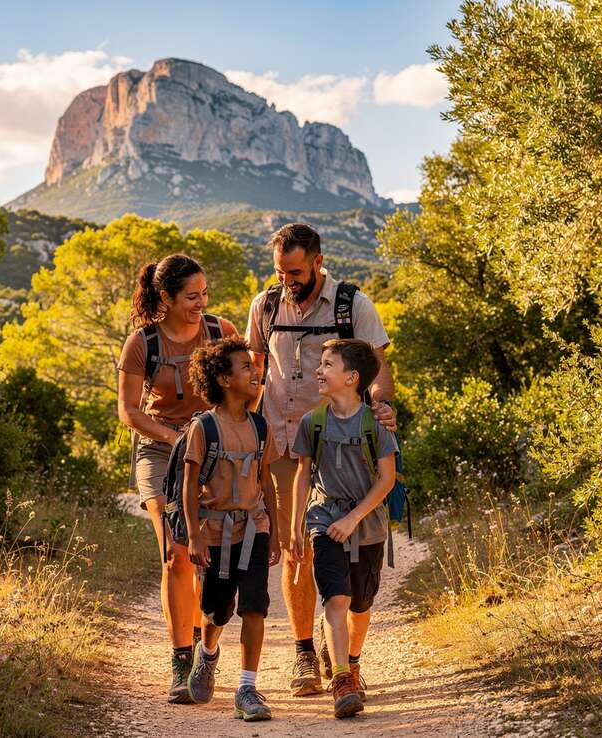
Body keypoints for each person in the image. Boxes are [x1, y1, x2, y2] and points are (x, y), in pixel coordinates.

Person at [244, 223, 396, 696]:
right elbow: (253, 370)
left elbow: (379, 369)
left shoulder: (353, 304)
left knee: (349, 552)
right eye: (280, 271)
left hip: (342, 444)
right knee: (297, 549)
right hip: (284, 443)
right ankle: (305, 653)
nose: (287, 279)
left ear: (317, 260)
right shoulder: (265, 305)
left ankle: (344, 657)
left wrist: (381, 407)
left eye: (295, 271)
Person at [116, 253, 237, 703]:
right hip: (160, 452)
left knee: (207, 556)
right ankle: (181, 660)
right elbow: (128, 411)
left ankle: (205, 643)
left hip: (215, 451)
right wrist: (175, 434)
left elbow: (244, 387)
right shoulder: (142, 343)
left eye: (205, 293)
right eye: (191, 296)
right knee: (176, 554)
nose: (201, 302)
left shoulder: (219, 332)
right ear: (165, 297)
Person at [288, 339, 397, 719]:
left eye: (328, 364)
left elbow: (386, 479)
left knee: (361, 605)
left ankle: (352, 661)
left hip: (367, 526)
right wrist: (296, 527)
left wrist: (353, 519)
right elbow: (303, 475)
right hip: (324, 520)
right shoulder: (311, 422)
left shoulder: (375, 424)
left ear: (351, 378)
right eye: (320, 364)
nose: (319, 370)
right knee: (336, 599)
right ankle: (342, 681)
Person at [181, 336, 280, 721]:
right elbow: (190, 485)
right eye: (244, 368)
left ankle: (247, 687)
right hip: (214, 533)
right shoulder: (204, 428)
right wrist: (192, 535)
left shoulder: (259, 426)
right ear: (223, 379)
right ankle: (206, 654)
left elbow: (266, 479)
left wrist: (276, 530)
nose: (254, 373)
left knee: (255, 605)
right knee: (217, 612)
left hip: (254, 529)